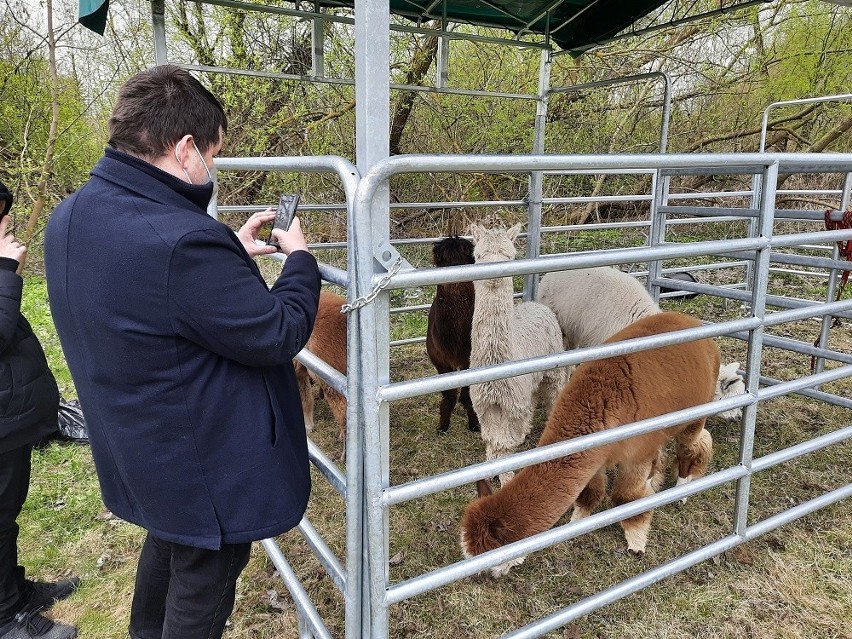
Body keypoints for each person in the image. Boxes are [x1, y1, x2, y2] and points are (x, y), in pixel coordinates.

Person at [44, 65, 321, 639]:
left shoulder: (72, 214)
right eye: (213, 155)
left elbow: (154, 301)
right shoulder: (179, 239)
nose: (212, 169)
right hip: (206, 465)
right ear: (186, 148)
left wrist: (229, 253)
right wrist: (299, 260)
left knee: (169, 548)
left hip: (145, 451)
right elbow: (276, 329)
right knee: (201, 584)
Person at [0, 181, 79, 639]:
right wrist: (7, 271)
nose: (7, 225)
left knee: (6, 512)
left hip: (10, 418)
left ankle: (15, 592)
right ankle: (6, 620)